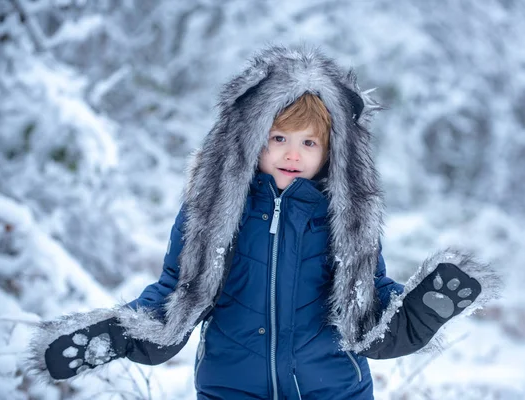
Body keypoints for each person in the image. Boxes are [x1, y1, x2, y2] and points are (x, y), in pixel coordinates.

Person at [27, 46, 501, 399]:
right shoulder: (212, 209)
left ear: (332, 151)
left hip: (332, 389)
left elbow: (367, 305)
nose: (293, 153)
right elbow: (176, 294)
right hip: (232, 386)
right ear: (251, 141)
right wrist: (120, 333)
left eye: (309, 143)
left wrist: (421, 307)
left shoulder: (347, 218)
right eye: (278, 137)